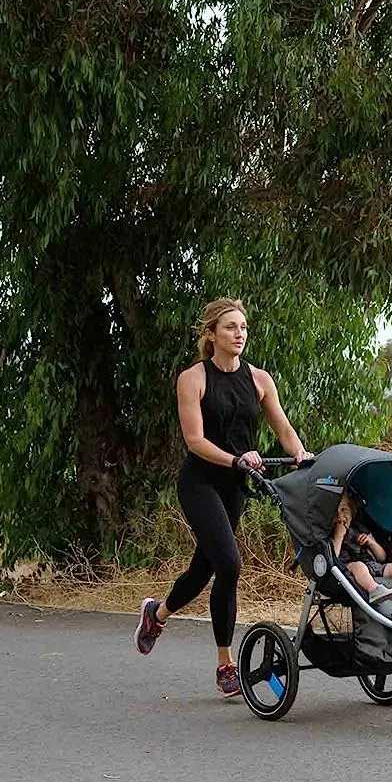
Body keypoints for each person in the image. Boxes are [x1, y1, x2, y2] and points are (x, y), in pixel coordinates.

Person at [131, 298, 312, 697]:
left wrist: (300, 454)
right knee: (229, 564)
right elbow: (194, 441)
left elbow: (283, 428)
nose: (240, 334)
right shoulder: (192, 379)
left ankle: (156, 614)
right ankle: (226, 666)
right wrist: (237, 460)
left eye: (244, 327)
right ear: (211, 334)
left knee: (203, 569)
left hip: (235, 487)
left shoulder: (260, 379)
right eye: (231, 327)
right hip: (200, 484)